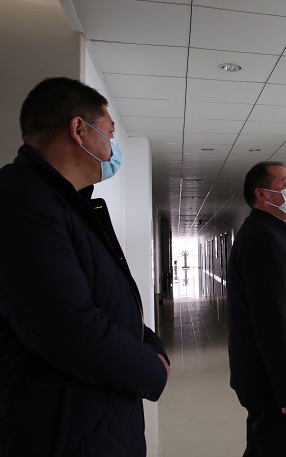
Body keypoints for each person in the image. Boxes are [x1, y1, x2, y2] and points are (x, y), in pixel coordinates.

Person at [0, 77, 170, 456]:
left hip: (96, 421)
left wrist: (150, 342)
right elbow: (67, 326)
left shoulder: (68, 204)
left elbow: (104, 297)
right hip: (63, 431)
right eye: (109, 133)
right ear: (79, 130)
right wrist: (150, 369)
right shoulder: (22, 203)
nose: (112, 147)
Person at [227, 161, 286, 457]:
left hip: (266, 377)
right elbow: (271, 323)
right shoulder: (263, 239)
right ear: (262, 194)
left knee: (262, 447)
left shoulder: (270, 232)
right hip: (271, 382)